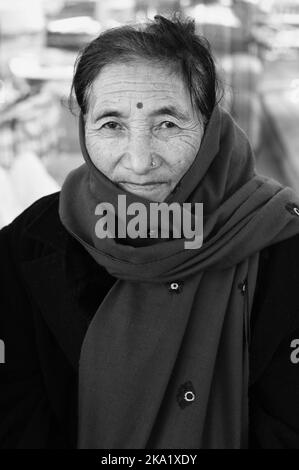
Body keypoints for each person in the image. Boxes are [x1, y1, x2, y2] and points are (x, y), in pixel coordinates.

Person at [1, 15, 299, 450]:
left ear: (210, 124)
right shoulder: (26, 249)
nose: (139, 162)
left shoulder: (282, 243)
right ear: (83, 128)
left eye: (168, 124)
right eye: (111, 125)